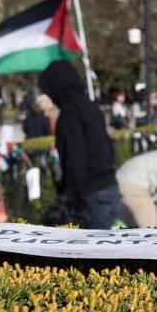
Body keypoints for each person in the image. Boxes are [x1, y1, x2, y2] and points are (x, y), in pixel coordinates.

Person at [38, 60, 120, 229]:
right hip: (110, 188)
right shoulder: (91, 107)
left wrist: (68, 197)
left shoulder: (69, 114)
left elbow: (74, 160)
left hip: (90, 193)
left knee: (91, 252)